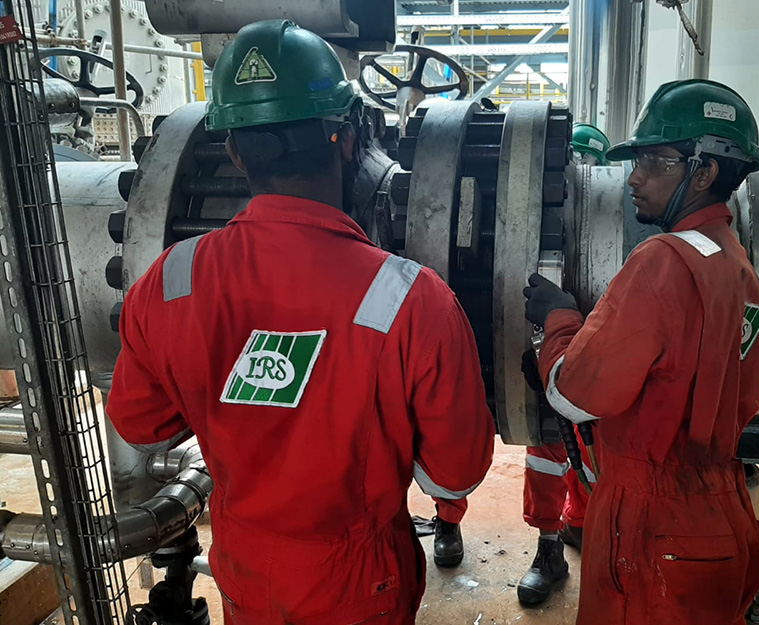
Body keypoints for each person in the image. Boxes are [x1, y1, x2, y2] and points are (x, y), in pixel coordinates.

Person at [106, 20, 494, 625]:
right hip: (360, 583)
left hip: (248, 573)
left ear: (234, 151)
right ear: (346, 138)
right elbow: (456, 475)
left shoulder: (169, 279)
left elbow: (141, 426)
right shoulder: (415, 301)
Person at [523, 79, 759, 625]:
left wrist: (559, 319)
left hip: (652, 529)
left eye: (655, 162)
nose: (634, 177)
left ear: (704, 172)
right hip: (723, 516)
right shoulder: (740, 271)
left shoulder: (663, 261)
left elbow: (575, 394)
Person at [513, 123, 611, 607]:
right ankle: (549, 548)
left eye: (589, 165)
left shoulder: (620, 232)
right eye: (574, 162)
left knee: (594, 451)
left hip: (599, 369)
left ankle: (586, 527)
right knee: (546, 451)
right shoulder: (536, 226)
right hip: (550, 353)